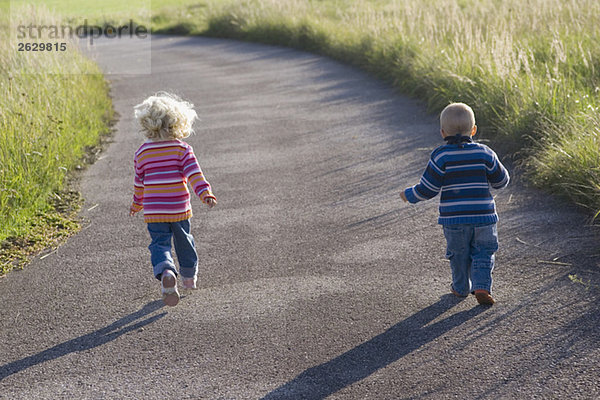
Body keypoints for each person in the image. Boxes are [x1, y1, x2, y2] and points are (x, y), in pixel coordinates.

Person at [400, 102, 509, 305]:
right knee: (484, 252)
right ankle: (482, 286)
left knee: (458, 255)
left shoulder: (441, 156)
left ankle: (460, 288)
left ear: (442, 132)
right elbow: (502, 181)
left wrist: (409, 195)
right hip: (484, 217)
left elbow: (428, 188)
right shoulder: (485, 153)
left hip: (454, 219)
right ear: (474, 130)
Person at [129, 92, 217, 306]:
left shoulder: (142, 152)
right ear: (179, 123)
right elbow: (195, 174)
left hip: (154, 210)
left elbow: (139, 182)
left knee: (159, 243)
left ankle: (166, 270)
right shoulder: (182, 149)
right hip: (178, 207)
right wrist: (204, 193)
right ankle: (188, 278)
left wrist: (136, 203)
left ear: (147, 124)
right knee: (184, 239)